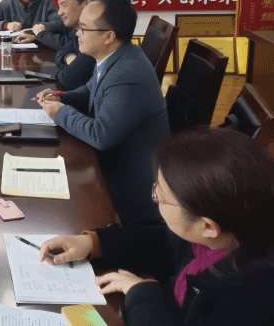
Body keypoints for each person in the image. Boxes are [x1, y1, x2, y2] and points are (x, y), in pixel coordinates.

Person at [39, 127, 274, 326]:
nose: (155, 198)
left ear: (208, 227)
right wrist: (93, 242)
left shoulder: (242, 297)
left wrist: (142, 293)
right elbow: (163, 242)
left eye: (161, 196)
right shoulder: (224, 232)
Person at [37, 0, 168, 224]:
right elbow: (90, 90)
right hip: (109, 165)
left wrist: (60, 112)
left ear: (109, 36)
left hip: (129, 188)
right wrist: (61, 98)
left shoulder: (128, 74)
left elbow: (101, 135)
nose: (77, 34)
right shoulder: (115, 56)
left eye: (84, 29)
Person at [38, 0, 105, 89]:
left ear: (87, 4)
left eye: (64, 6)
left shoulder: (96, 35)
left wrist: (68, 66)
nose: (59, 12)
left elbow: (67, 79)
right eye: (59, 6)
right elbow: (62, 51)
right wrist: (68, 57)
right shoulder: (80, 30)